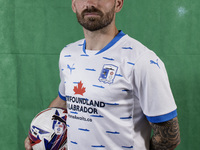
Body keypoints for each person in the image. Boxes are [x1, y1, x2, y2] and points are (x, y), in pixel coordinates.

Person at [25, 0, 180, 149]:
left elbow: (168, 137)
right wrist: (37, 134)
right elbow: (63, 101)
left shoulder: (142, 60)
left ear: (118, 3)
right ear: (74, 5)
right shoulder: (68, 54)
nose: (90, 3)